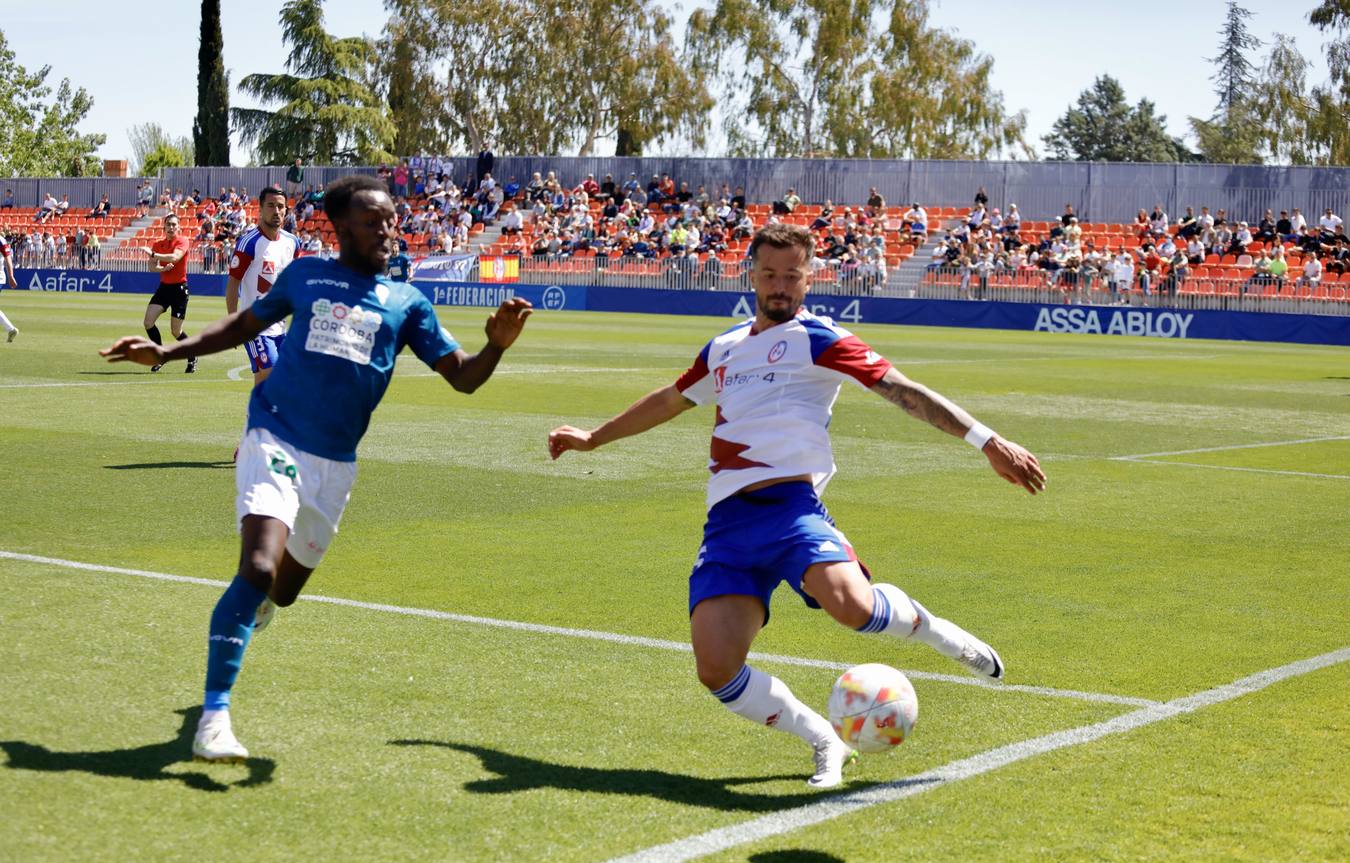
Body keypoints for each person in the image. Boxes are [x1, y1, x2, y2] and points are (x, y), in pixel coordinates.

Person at [546, 223, 1044, 789]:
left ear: (810, 277)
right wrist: (593, 438)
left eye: (792, 275)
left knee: (851, 608)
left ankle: (940, 634)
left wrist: (987, 442)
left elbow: (901, 390)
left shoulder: (820, 338)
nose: (780, 286)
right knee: (716, 669)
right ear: (751, 275)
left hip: (791, 509)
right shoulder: (724, 348)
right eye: (769, 274)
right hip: (729, 524)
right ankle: (822, 739)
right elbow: (668, 399)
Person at [99, 175, 533, 763]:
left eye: (392, 220)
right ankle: (214, 716)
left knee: (283, 590)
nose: (388, 230)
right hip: (274, 434)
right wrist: (170, 350)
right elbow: (241, 325)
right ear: (342, 228)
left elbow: (463, 376)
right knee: (256, 566)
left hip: (335, 466)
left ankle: (256, 611)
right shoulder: (306, 277)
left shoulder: (408, 303)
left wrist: (497, 346)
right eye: (374, 221)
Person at [226, 187, 303, 387]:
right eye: (271, 206)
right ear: (260, 209)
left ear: (286, 211)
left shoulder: (292, 242)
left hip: (279, 326)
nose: (276, 211)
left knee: (266, 380)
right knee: (272, 373)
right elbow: (233, 283)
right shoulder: (249, 243)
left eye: (280, 207)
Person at [141, 214, 198, 374]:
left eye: (174, 225)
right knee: (148, 322)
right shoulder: (158, 244)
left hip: (180, 289)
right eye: (169, 225)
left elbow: (175, 257)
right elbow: (152, 267)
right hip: (164, 288)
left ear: (178, 227)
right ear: (164, 227)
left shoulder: (183, 241)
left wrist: (153, 255)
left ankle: (192, 355)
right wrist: (162, 268)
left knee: (175, 331)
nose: (171, 227)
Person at [0, 232, 19, 342]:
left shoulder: (1, 241)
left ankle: (11, 329)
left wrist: (11, 276)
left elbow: (8, 258)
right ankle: (11, 329)